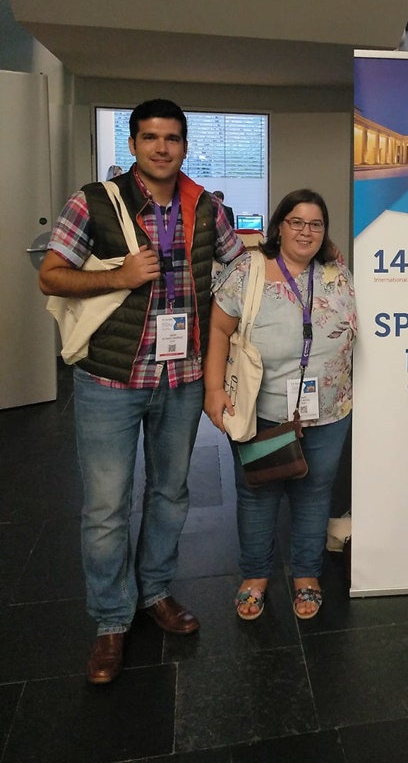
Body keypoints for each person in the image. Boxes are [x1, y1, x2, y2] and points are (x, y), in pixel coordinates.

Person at [39, 99, 245, 684]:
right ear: (132, 145)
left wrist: (310, 256)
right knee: (106, 507)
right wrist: (119, 276)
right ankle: (111, 619)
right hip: (110, 379)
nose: (161, 147)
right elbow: (50, 275)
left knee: (170, 493)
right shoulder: (94, 202)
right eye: (150, 137)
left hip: (182, 379)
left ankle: (154, 591)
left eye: (172, 138)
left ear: (185, 147)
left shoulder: (206, 207)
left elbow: (238, 267)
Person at [203, 188, 356, 622]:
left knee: (315, 492)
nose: (306, 232)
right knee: (258, 492)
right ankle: (255, 576)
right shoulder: (247, 271)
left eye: (316, 224)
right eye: (297, 222)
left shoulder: (337, 272)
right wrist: (213, 390)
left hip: (329, 410)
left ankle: (307, 574)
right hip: (262, 410)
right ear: (279, 227)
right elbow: (219, 330)